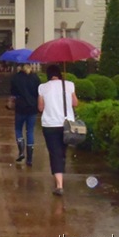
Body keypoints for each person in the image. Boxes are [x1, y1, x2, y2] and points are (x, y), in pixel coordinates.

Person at [37, 64, 78, 196]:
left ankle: (59, 184)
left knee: (54, 152)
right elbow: (75, 103)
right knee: (62, 151)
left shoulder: (43, 87)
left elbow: (40, 108)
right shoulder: (69, 85)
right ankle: (60, 170)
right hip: (66, 124)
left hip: (49, 124)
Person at [10, 63, 41, 166]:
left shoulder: (16, 77)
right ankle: (30, 158)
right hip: (32, 107)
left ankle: (21, 151)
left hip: (20, 107)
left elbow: (13, 93)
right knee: (30, 131)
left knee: (18, 129)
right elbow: (38, 92)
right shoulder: (35, 77)